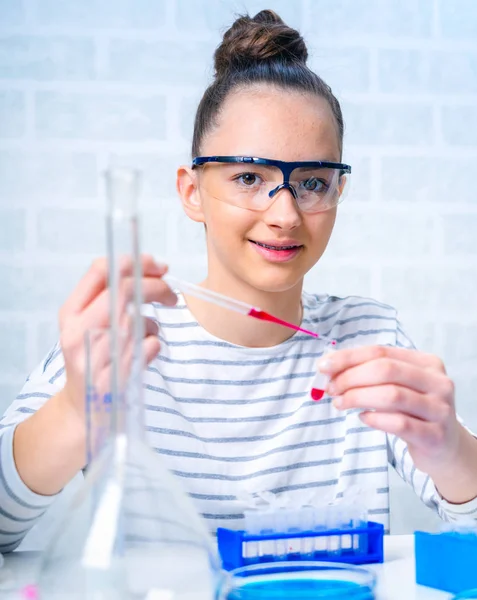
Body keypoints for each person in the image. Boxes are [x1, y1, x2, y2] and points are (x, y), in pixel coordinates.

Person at [1, 10, 476, 553]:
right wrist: (74, 411)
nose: (286, 215)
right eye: (250, 177)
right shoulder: (122, 339)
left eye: (314, 182)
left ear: (338, 193)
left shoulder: (369, 338)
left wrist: (450, 449)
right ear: (191, 191)